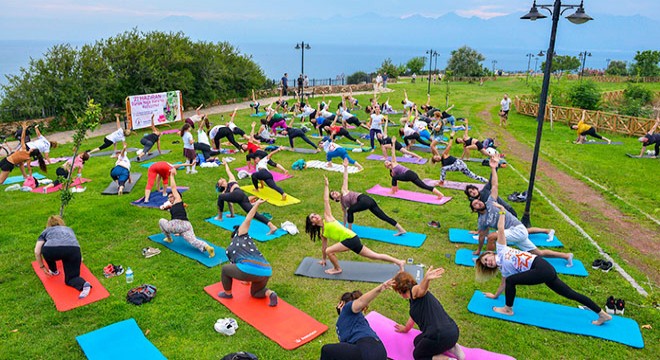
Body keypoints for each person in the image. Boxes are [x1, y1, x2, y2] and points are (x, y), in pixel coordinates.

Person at [475, 202, 612, 326]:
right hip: (543, 270)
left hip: (541, 266)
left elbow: (500, 229)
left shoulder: (501, 248)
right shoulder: (504, 269)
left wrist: (502, 211)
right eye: (486, 264)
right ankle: (602, 314)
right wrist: (495, 295)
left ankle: (508, 309)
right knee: (569, 293)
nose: (489, 262)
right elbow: (504, 283)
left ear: (491, 253)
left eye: (486, 259)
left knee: (513, 280)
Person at [470, 155, 572, 266]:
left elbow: (494, 185)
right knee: (538, 253)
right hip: (512, 234)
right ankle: (566, 256)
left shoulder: (490, 202)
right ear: (475, 210)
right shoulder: (482, 220)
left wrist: (493, 168)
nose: (478, 202)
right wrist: (479, 250)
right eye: (475, 204)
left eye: (478, 201)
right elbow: (481, 236)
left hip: (518, 230)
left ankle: (486, 260)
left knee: (492, 237)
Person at [305, 176, 405, 275]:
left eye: (315, 214)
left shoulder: (328, 218)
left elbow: (326, 200)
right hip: (351, 240)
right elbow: (323, 247)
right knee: (375, 256)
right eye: (312, 217)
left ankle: (337, 269)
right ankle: (399, 262)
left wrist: (326, 185)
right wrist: (323, 259)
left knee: (329, 251)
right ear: (313, 223)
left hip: (351, 239)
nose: (315, 216)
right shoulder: (323, 233)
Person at [391, 268, 465, 360]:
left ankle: (448, 359)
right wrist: (406, 329)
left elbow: (421, 289)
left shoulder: (414, 291)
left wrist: (427, 279)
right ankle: (452, 347)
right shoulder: (416, 301)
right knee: (417, 341)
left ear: (400, 291)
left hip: (439, 335)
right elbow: (413, 317)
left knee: (418, 355)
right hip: (453, 332)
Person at [218, 199, 278, 306]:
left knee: (225, 269)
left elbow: (248, 218)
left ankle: (228, 294)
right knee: (255, 293)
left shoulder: (236, 240)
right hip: (266, 270)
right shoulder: (248, 241)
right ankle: (270, 293)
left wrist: (257, 205)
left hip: (249, 270)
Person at [330, 158, 407, 235]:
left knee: (350, 210)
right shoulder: (343, 205)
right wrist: (343, 226)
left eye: (334, 192)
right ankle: (401, 229)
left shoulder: (344, 191)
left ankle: (349, 231)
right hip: (367, 203)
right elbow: (345, 216)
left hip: (364, 199)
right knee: (382, 216)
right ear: (334, 199)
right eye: (333, 194)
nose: (335, 193)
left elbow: (345, 178)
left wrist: (346, 167)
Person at [320, 281, 393, 360]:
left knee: (326, 350)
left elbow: (361, 301)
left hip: (367, 349)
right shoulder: (355, 320)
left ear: (342, 303)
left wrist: (380, 288)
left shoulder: (347, 309)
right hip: (380, 351)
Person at [34, 215, 92, 299]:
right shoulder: (69, 229)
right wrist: (79, 258)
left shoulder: (46, 231)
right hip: (73, 251)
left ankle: (53, 270)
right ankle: (84, 284)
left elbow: (37, 251)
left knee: (45, 247)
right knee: (71, 278)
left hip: (52, 251)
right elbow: (75, 243)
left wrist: (42, 266)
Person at [215, 159, 279, 234]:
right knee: (253, 214)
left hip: (239, 195)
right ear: (220, 185)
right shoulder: (225, 193)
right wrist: (232, 215)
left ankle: (220, 217)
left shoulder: (231, 181)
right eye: (220, 180)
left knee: (220, 197)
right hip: (241, 197)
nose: (221, 178)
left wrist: (225, 164)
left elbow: (228, 171)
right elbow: (230, 204)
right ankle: (272, 226)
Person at [159, 173, 215, 257]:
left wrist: (171, 176)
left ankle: (169, 239)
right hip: (186, 225)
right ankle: (207, 247)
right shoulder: (176, 205)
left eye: (171, 196)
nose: (169, 198)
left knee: (161, 221)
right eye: (169, 197)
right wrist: (178, 231)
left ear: (176, 196)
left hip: (178, 224)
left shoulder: (178, 200)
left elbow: (173, 187)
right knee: (193, 241)